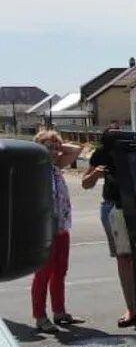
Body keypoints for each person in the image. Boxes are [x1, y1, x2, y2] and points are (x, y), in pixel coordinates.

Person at [82, 122, 136, 328]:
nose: (116, 142)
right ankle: (132, 309)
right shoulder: (101, 154)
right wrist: (95, 174)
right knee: (124, 259)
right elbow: (85, 183)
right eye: (112, 140)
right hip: (113, 206)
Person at [30, 129, 84, 333]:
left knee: (60, 271)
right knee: (42, 274)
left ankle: (59, 312)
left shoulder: (56, 167)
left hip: (61, 227)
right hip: (43, 229)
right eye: (47, 147)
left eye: (55, 148)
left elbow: (76, 150)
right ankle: (40, 316)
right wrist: (41, 149)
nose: (53, 152)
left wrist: (58, 146)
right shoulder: (33, 170)